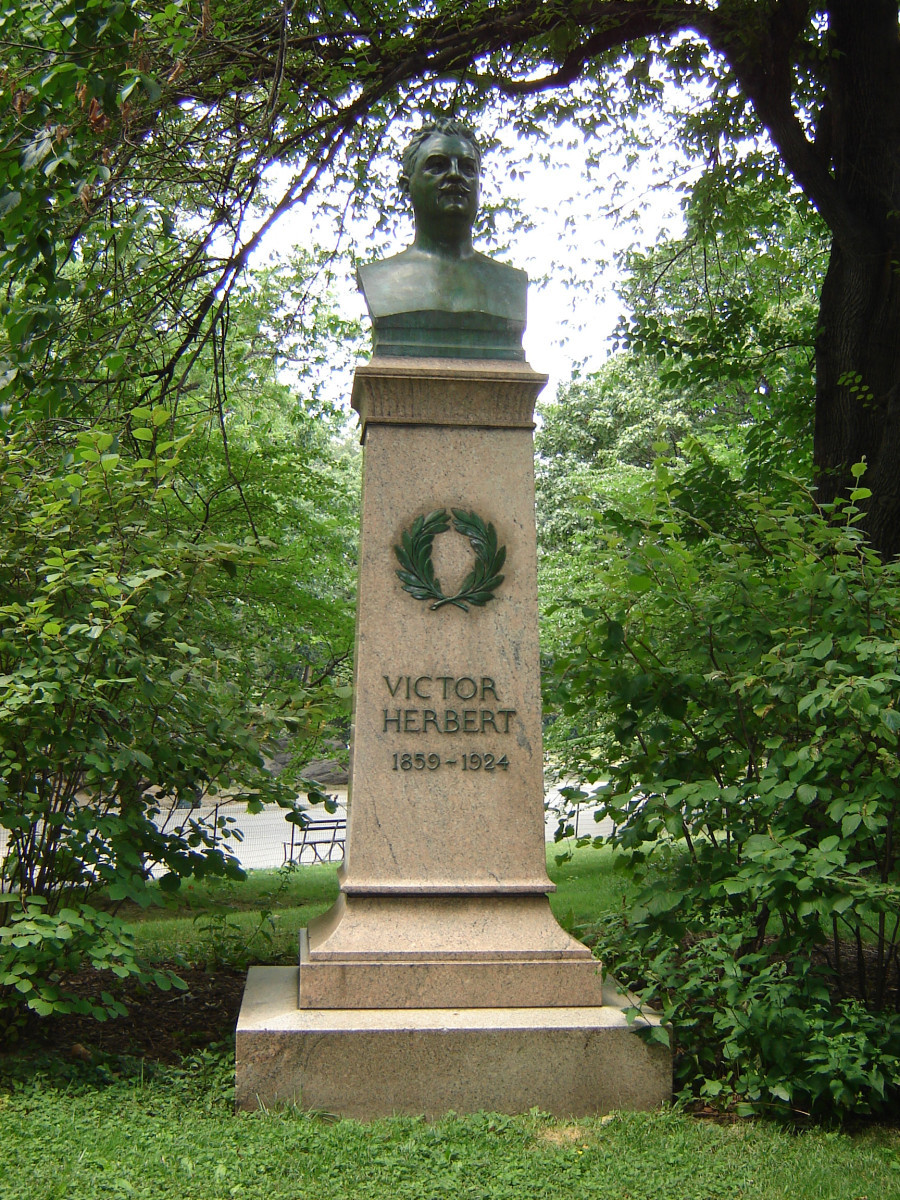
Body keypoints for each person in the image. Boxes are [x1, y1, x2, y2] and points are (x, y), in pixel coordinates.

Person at [358, 119, 527, 360]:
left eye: (468, 168)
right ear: (407, 187)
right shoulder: (380, 280)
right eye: (437, 166)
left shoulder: (510, 285)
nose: (456, 175)